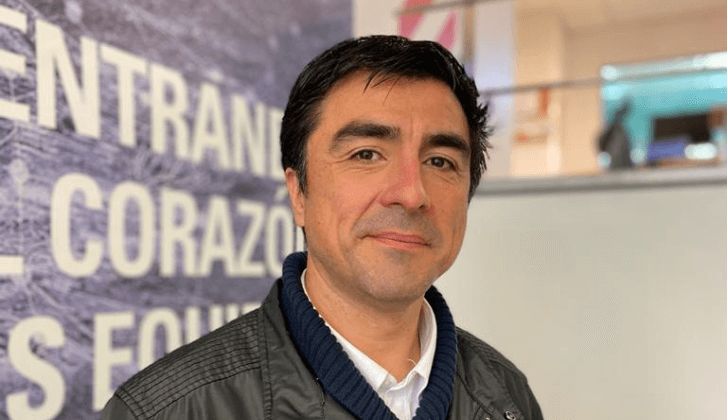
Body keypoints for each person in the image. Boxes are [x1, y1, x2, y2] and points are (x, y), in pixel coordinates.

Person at [102, 35, 543, 420]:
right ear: (298, 192)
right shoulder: (168, 410)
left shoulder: (506, 394)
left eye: (440, 161)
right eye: (366, 154)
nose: (412, 194)